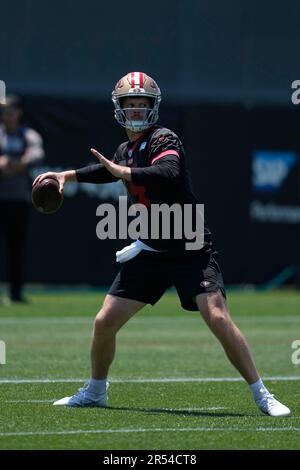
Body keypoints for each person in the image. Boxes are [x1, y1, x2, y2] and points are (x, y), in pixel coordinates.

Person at [33, 72, 290, 416]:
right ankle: (95, 391)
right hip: (151, 248)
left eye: (142, 104)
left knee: (215, 315)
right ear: (119, 108)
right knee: (104, 322)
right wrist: (65, 176)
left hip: (189, 247)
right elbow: (108, 170)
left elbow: (167, 172)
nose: (137, 110)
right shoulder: (126, 149)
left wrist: (122, 172)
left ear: (153, 108)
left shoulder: (163, 137)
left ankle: (263, 394)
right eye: (130, 104)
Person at [0, 95, 44, 303]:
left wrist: (19, 164)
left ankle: (15, 293)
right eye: (4, 111)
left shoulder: (28, 135)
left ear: (19, 113)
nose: (7, 115)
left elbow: (37, 153)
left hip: (19, 201)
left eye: (10, 111)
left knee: (16, 248)